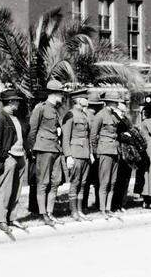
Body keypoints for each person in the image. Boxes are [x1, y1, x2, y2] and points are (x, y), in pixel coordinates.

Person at [0, 89, 28, 233]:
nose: (18, 103)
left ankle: (12, 217)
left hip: (20, 156)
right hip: (9, 157)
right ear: (10, 102)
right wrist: (5, 157)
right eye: (16, 101)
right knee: (5, 189)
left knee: (16, 189)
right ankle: (0, 219)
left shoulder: (15, 117)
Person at [28, 79, 66, 224]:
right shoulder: (40, 108)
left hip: (55, 149)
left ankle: (50, 212)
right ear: (54, 94)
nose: (62, 96)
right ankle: (43, 214)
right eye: (61, 94)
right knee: (43, 182)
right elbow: (32, 131)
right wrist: (33, 150)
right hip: (43, 148)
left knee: (55, 181)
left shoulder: (55, 110)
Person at [89, 90, 124, 217]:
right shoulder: (100, 115)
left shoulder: (115, 116)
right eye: (115, 102)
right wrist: (95, 152)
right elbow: (93, 135)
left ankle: (108, 208)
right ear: (108, 102)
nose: (117, 104)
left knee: (113, 182)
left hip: (115, 151)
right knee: (104, 181)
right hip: (104, 151)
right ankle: (102, 209)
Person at [62, 87, 93, 219]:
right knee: (75, 182)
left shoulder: (85, 115)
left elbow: (88, 136)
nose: (87, 100)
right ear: (78, 100)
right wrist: (68, 156)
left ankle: (80, 210)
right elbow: (65, 137)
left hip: (85, 153)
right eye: (85, 98)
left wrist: (90, 153)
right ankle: (73, 211)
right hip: (75, 152)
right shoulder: (70, 115)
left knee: (83, 183)